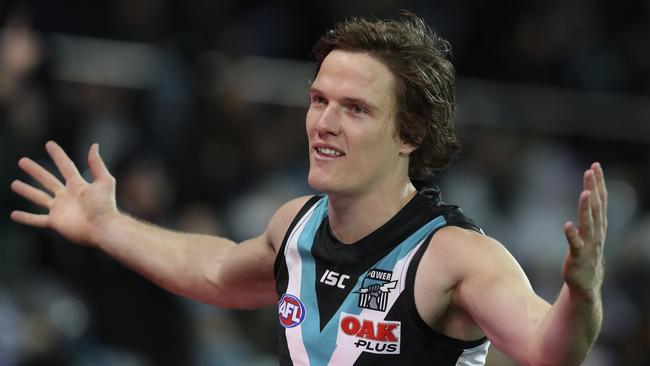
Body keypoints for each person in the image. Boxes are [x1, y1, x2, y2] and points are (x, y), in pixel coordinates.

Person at [10, 13, 606, 366]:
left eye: (354, 108)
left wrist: (580, 297)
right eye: (318, 100)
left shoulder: (456, 255)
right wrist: (106, 224)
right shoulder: (295, 225)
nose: (323, 122)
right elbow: (216, 271)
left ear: (409, 133)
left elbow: (546, 350)